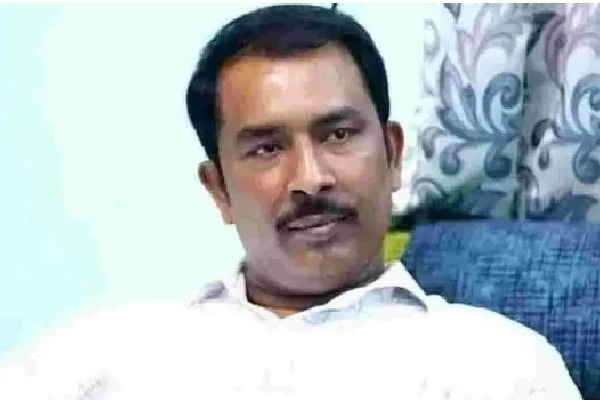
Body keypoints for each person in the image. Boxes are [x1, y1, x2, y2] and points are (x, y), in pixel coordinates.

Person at [0, 4, 582, 399]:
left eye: (338, 134)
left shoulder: (501, 367)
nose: (311, 178)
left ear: (392, 154)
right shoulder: (99, 357)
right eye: (266, 148)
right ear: (218, 189)